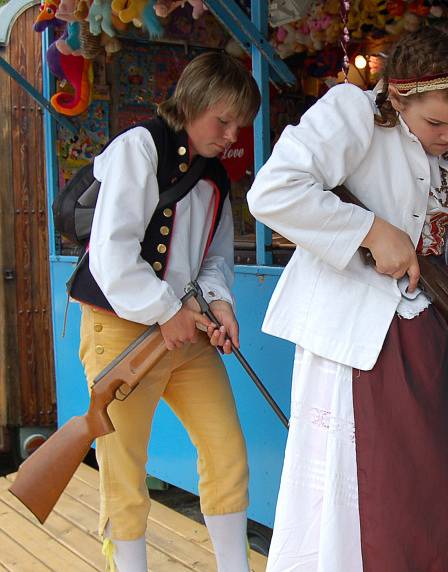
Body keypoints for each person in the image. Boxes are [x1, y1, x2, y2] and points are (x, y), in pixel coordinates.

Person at [247, 21, 448, 572]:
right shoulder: (352, 115)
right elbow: (271, 191)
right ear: (397, 94)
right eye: (437, 122)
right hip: (362, 337)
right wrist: (369, 231)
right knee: (381, 492)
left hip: (443, 331)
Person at [73, 51, 261, 572]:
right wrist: (163, 308)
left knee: (227, 450)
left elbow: (214, 258)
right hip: (124, 330)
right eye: (222, 120)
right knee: (125, 466)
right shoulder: (140, 148)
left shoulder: (217, 178)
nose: (230, 135)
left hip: (186, 331)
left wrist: (219, 304)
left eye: (237, 125)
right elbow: (112, 252)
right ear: (192, 102)